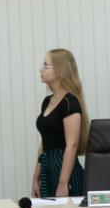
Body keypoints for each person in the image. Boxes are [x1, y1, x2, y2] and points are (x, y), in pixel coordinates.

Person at [35, 49, 88, 199]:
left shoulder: (70, 102)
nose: (41, 69)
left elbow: (72, 145)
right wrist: (35, 178)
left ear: (60, 71)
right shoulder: (47, 101)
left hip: (64, 169)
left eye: (46, 66)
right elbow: (45, 143)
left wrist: (63, 183)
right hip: (48, 166)